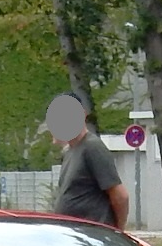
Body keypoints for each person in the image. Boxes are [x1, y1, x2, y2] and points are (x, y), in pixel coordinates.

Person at [50, 98, 129, 229]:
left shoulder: (92, 147)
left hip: (92, 237)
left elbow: (120, 196)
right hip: (74, 235)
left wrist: (117, 230)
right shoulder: (69, 152)